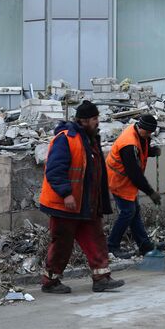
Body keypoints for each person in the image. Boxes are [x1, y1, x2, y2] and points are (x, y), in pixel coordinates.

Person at [38, 101, 124, 294]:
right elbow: (55, 170)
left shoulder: (90, 139)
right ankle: (50, 281)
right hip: (66, 204)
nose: (98, 122)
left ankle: (101, 278)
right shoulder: (65, 139)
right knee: (62, 243)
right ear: (83, 121)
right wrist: (66, 194)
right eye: (94, 119)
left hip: (86, 204)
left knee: (96, 239)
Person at [106, 114, 162, 258]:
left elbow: (141, 151)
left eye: (151, 133)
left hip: (127, 181)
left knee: (133, 211)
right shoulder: (128, 144)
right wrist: (150, 192)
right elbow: (134, 174)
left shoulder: (141, 134)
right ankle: (112, 245)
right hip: (119, 180)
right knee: (127, 212)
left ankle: (144, 245)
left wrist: (151, 152)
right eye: (148, 132)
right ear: (140, 127)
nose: (149, 135)